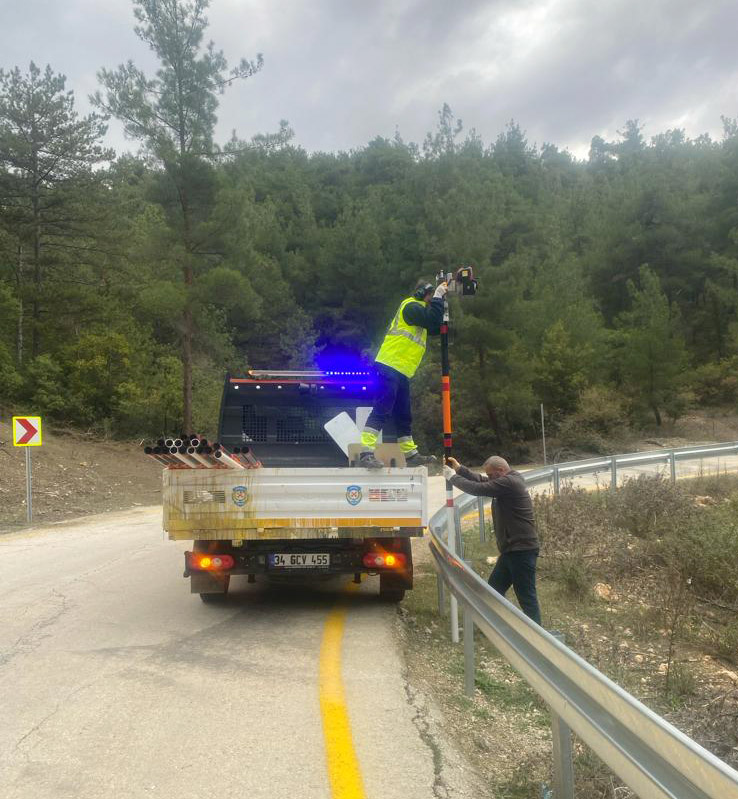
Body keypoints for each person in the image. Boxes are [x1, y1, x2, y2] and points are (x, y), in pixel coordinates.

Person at [358, 279, 448, 469]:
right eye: (431, 297)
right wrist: (440, 295)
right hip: (389, 365)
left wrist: (442, 307)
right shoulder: (411, 307)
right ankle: (365, 452)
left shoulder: (420, 314)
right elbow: (432, 318)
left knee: (404, 414)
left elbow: (435, 323)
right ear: (424, 294)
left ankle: (410, 454)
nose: (433, 301)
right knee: (383, 408)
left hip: (401, 370)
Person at [443, 455, 541, 624]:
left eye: (491, 475)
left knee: (526, 595)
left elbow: (477, 488)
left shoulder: (510, 483)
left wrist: (452, 477)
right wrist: (459, 469)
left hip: (521, 550)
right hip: (511, 550)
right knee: (494, 590)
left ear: (501, 471)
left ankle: (538, 639)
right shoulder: (506, 480)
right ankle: (492, 627)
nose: (488, 478)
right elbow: (481, 480)